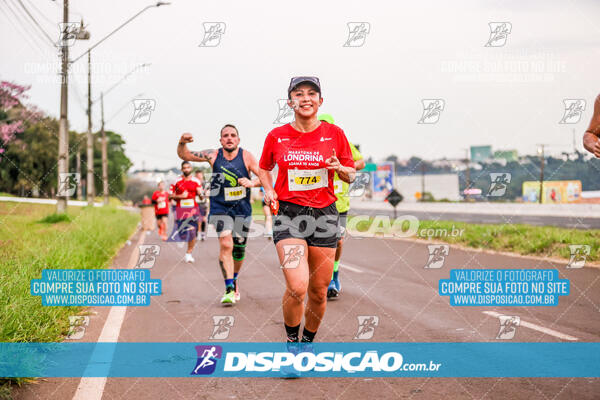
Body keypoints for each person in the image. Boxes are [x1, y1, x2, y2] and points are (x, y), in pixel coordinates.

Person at [258, 76, 356, 344]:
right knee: (297, 287)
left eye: (311, 93)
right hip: (290, 215)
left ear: (320, 101)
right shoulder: (276, 136)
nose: (305, 98)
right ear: (290, 102)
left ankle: (307, 343)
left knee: (318, 292)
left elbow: (351, 173)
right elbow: (263, 167)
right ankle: (292, 343)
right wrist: (268, 189)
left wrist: (341, 169)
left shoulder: (335, 134)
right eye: (299, 94)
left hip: (325, 215)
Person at [177, 124, 261, 305]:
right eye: (225, 135)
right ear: (221, 140)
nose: (229, 138)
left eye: (233, 135)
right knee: (225, 244)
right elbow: (185, 155)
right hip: (220, 208)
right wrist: (182, 142)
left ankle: (234, 278)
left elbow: (264, 176)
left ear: (238, 139)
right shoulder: (213, 155)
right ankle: (229, 288)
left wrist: (252, 183)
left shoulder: (247, 157)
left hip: (242, 209)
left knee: (239, 249)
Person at [317, 114, 366, 299]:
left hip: (340, 203)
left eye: (328, 126)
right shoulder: (311, 144)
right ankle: (318, 278)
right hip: (318, 202)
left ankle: (334, 276)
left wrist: (342, 167)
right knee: (318, 244)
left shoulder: (342, 141)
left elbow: (361, 162)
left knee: (337, 241)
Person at [170, 161, 203, 263]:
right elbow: (170, 196)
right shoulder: (177, 181)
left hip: (193, 210)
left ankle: (188, 253)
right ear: (181, 169)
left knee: (193, 232)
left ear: (191, 168)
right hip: (180, 210)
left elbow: (201, 197)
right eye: (184, 168)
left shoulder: (196, 181)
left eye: (188, 167)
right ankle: (181, 236)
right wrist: (180, 196)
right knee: (183, 234)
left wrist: (200, 193)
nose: (186, 169)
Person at [194, 170, 209, 241]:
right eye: (197, 176)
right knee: (197, 219)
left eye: (200, 175)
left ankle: (202, 233)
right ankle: (198, 233)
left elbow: (209, 193)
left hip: (204, 203)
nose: (198, 177)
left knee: (203, 219)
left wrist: (205, 193)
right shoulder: (194, 183)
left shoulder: (206, 184)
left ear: (202, 175)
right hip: (196, 203)